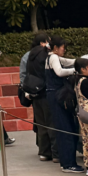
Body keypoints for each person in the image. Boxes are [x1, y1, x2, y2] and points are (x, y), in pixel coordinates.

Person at [46, 35, 87, 173]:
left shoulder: (53, 57)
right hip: (57, 97)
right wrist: (78, 71)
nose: (64, 50)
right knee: (66, 130)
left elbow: (72, 61)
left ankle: (67, 162)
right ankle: (68, 164)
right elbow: (59, 72)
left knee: (66, 128)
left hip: (55, 96)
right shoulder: (53, 57)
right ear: (56, 48)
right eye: (63, 47)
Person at [24, 33, 56, 161]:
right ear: (43, 43)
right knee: (51, 123)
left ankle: (44, 152)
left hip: (35, 92)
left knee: (41, 124)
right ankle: (55, 153)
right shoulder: (45, 55)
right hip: (46, 91)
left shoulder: (30, 55)